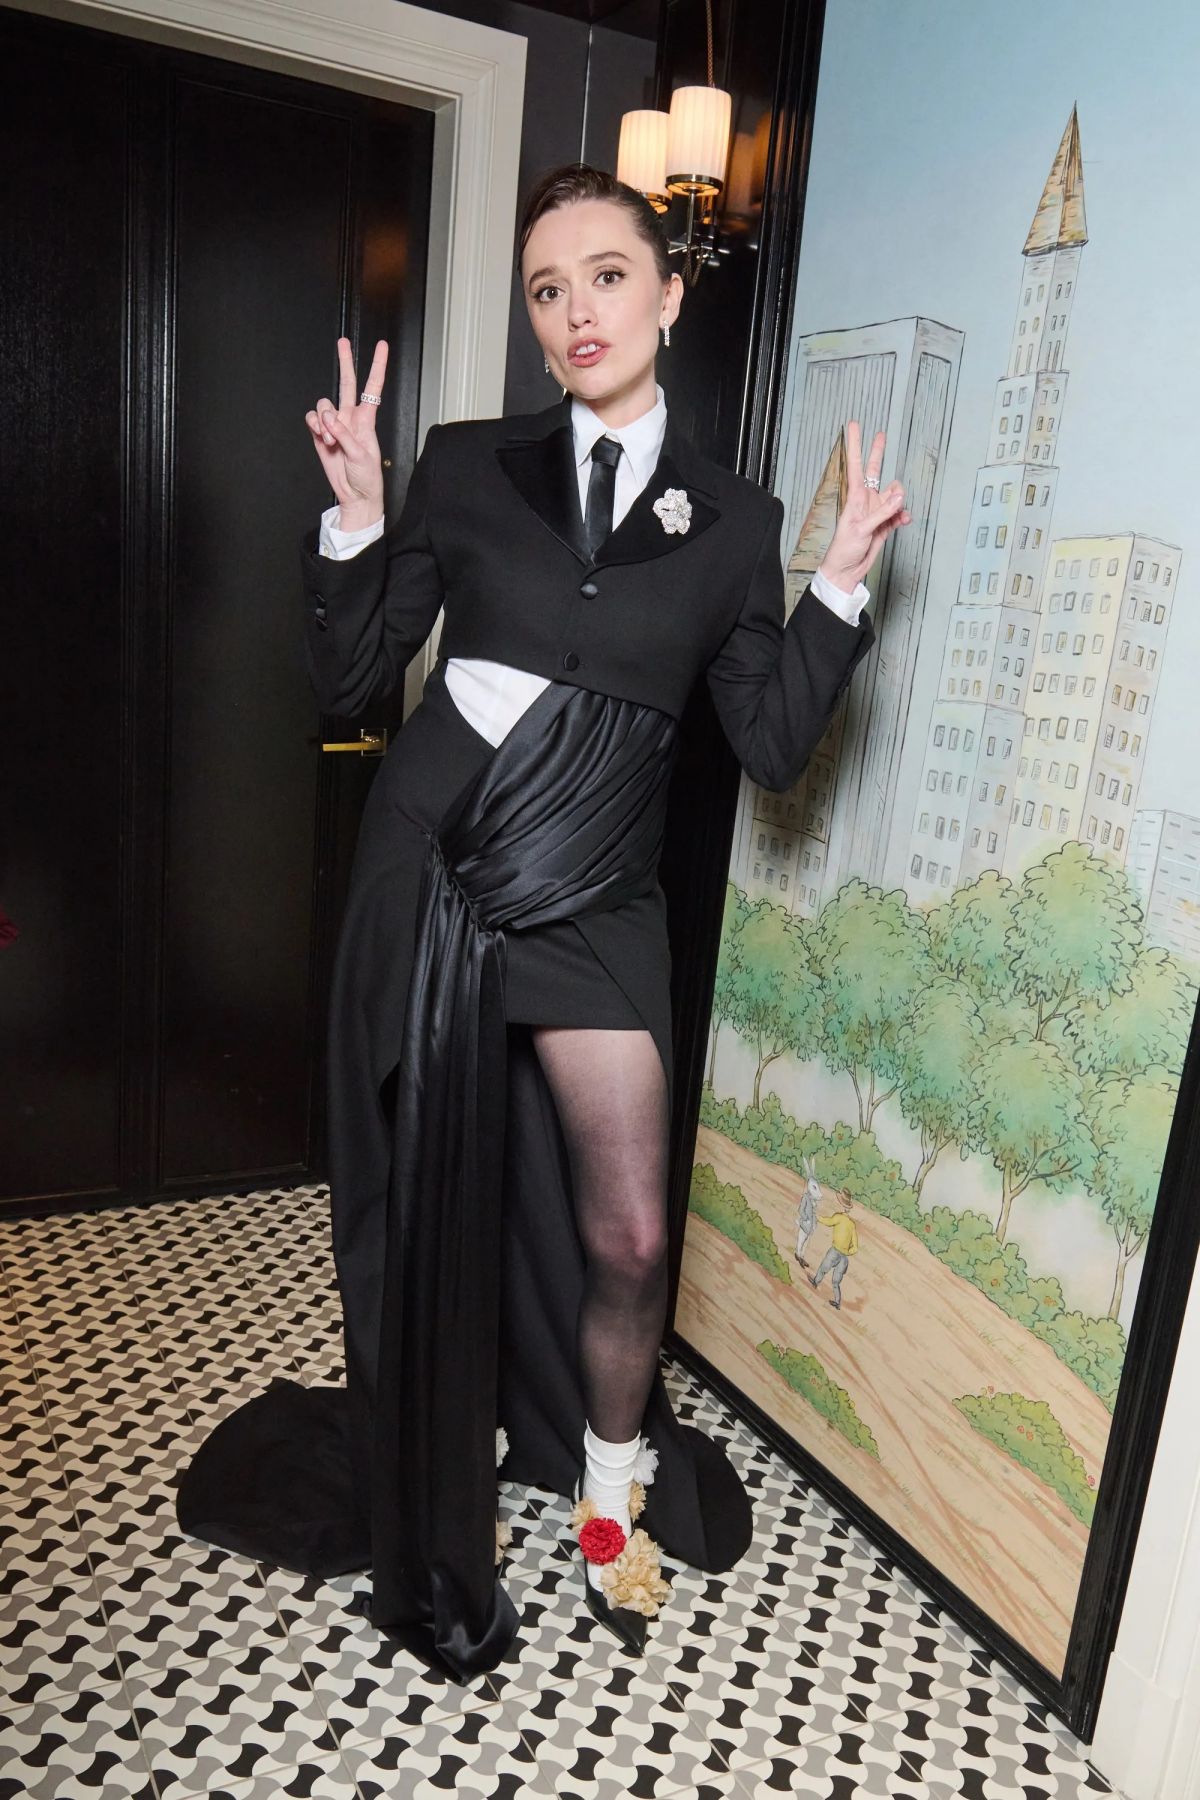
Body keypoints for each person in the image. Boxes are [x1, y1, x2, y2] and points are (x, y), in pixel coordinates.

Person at [175, 162, 910, 1685]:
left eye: (608, 276)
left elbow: (774, 746)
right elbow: (349, 684)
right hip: (433, 869)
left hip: (597, 897)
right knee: (426, 1203)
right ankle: (433, 1469)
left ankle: (607, 1497)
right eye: (547, 289)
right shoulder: (462, 466)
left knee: (630, 1232)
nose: (577, 311)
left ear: (672, 294)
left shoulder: (737, 521)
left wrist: (837, 590)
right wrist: (358, 521)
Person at [808, 1191, 860, 1310]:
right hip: (844, 1258)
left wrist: (817, 1217)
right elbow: (855, 1248)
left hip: (834, 1251)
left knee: (823, 1268)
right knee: (836, 1281)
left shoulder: (838, 1217)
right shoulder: (852, 1224)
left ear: (841, 1204)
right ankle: (837, 1302)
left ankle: (816, 1282)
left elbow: (828, 1221)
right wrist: (847, 1252)